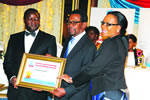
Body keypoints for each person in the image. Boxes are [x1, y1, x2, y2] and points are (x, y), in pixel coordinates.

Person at [60, 11, 128, 100]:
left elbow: (94, 68)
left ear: (118, 28)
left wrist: (73, 80)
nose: (103, 26)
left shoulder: (111, 43)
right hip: (111, 90)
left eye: (108, 24)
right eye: (103, 23)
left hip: (109, 92)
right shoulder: (119, 42)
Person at [3, 8, 57, 100]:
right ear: (24, 20)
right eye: (30, 19)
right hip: (16, 92)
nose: (34, 22)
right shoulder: (14, 38)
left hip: (37, 94)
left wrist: (43, 85)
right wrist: (12, 77)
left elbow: (51, 66)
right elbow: (7, 62)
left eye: (36, 19)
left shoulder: (49, 39)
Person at [50, 10, 97, 100]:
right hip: (60, 93)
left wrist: (66, 91)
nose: (70, 25)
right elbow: (65, 64)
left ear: (84, 24)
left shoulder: (89, 47)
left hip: (76, 95)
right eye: (69, 22)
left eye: (74, 22)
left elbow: (86, 76)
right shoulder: (68, 41)